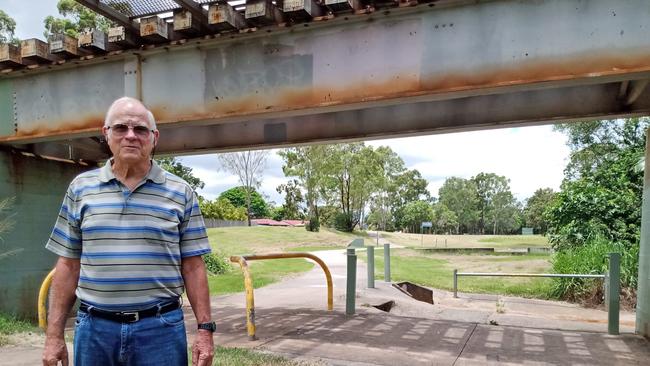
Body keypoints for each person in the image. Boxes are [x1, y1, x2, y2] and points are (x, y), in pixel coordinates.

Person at [42, 97, 215, 366]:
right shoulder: (80, 189)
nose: (131, 136)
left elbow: (193, 266)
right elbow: (68, 263)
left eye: (140, 129)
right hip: (95, 331)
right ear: (106, 134)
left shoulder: (181, 193)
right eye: (121, 128)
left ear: (154, 137)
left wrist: (205, 331)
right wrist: (54, 335)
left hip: (160, 330)